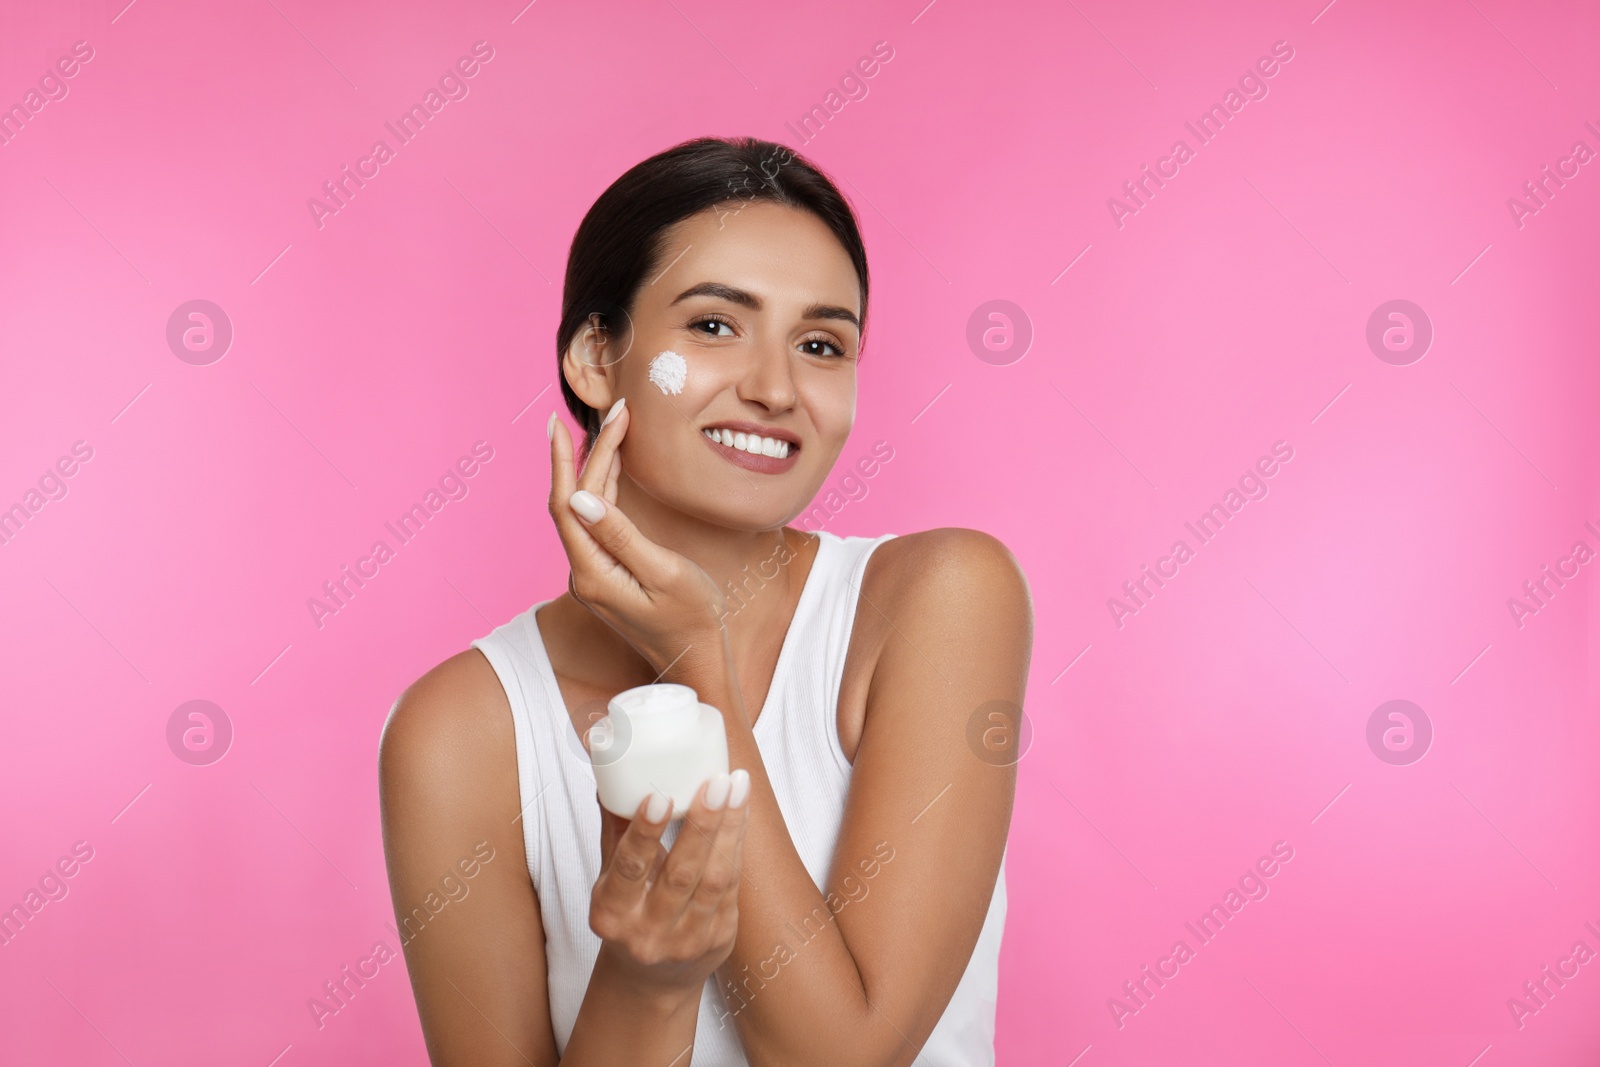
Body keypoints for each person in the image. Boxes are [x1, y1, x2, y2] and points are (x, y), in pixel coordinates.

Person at [379, 135, 1032, 1066]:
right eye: (716, 326)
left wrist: (696, 661)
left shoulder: (941, 597)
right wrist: (649, 982)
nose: (774, 389)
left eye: (820, 344)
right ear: (596, 358)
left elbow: (846, 1054)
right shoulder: (460, 731)